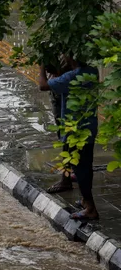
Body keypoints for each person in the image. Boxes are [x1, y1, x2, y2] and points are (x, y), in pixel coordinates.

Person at [39, 57, 100, 221]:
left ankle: (90, 208)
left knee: (81, 169)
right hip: (89, 126)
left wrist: (41, 67)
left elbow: (42, 85)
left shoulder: (71, 77)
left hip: (75, 130)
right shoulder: (92, 71)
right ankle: (85, 201)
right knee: (86, 165)